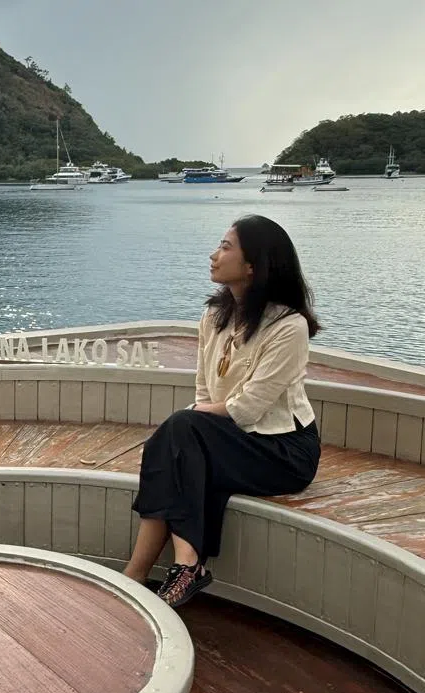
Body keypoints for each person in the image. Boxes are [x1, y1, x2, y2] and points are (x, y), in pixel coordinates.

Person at [123, 215, 322, 608]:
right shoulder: (214, 317)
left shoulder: (289, 326)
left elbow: (248, 409)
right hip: (229, 437)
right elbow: (204, 388)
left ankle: (155, 571)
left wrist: (193, 419)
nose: (214, 255)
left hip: (283, 451)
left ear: (252, 265)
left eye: (226, 247)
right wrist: (194, 420)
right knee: (180, 443)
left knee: (180, 435)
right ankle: (168, 569)